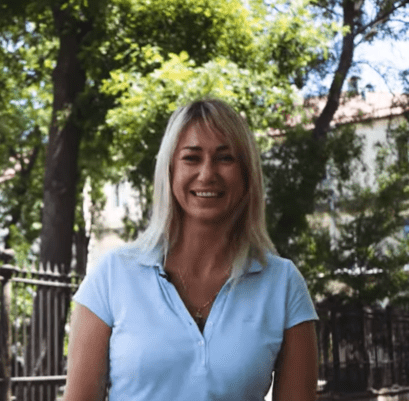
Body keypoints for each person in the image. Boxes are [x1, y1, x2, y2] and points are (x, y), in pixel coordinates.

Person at [64, 99, 318, 400]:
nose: (207, 173)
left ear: (247, 173)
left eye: (225, 158)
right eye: (191, 158)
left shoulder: (283, 285)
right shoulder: (112, 276)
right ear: (170, 170)